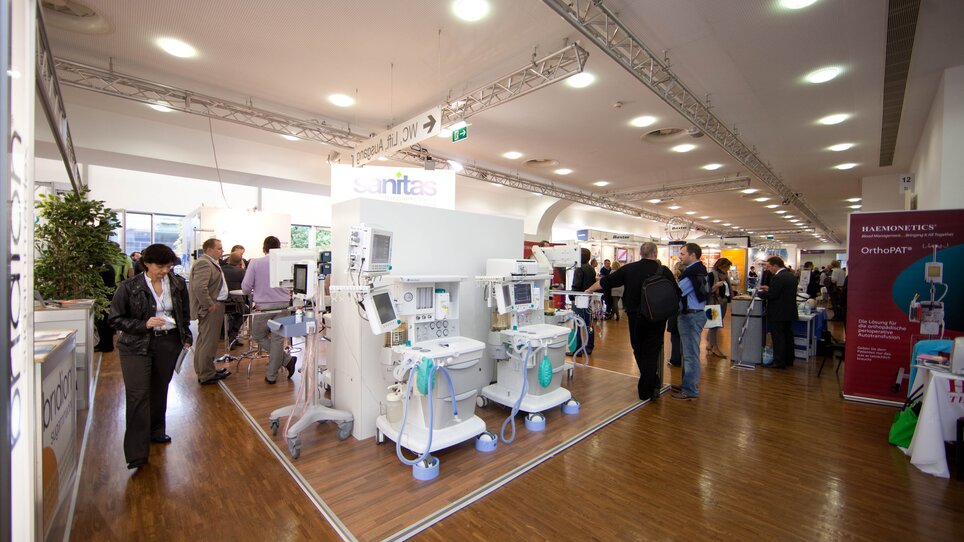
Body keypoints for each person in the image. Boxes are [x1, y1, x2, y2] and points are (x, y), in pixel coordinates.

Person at [109, 243, 192, 469]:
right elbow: (115, 319)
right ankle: (136, 452)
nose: (165, 271)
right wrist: (143, 324)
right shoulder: (129, 287)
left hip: (168, 343)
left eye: (168, 266)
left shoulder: (177, 284)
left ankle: (156, 430)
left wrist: (186, 336)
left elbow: (184, 314)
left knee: (159, 389)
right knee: (138, 395)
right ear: (146, 264)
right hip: (135, 346)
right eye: (160, 266)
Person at [586, 242, 679, 401]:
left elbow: (606, 281)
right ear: (655, 253)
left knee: (638, 349)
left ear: (641, 253)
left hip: (636, 317)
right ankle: (651, 384)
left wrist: (589, 289)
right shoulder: (664, 271)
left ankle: (648, 386)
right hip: (657, 318)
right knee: (652, 351)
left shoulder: (630, 268)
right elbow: (676, 292)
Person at [241, 236, 297, 384]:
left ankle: (282, 365)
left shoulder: (255, 263)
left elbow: (245, 288)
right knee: (278, 340)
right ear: (279, 248)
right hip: (284, 305)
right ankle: (277, 369)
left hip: (264, 307)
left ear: (264, 248)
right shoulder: (285, 263)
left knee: (258, 335)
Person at [189, 238, 232, 385]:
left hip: (214, 305)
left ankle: (205, 370)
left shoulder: (210, 262)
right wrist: (209, 305)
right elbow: (200, 287)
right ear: (209, 249)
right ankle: (206, 374)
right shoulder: (204, 263)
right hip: (212, 307)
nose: (222, 251)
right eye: (219, 248)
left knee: (205, 340)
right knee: (209, 341)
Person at [673, 243, 708, 400]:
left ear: (692, 255)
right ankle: (687, 384)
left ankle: (690, 390)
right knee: (688, 353)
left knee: (690, 354)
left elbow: (677, 292)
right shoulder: (699, 271)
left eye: (682, 254)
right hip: (695, 315)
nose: (679, 256)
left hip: (690, 317)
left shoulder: (691, 275)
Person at [756, 256, 798, 369]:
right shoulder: (791, 276)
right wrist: (770, 289)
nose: (768, 269)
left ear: (775, 266)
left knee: (778, 337)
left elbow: (773, 295)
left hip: (778, 312)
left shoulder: (778, 277)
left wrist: (759, 293)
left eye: (769, 267)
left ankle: (779, 361)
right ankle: (789, 359)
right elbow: (782, 292)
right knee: (788, 335)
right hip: (789, 311)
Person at [570, 248, 597, 355]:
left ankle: (577, 349)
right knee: (589, 324)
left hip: (579, 300)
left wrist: (571, 297)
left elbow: (576, 285)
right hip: (588, 299)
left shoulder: (579, 269)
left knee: (577, 324)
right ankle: (589, 346)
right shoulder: (591, 269)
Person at [706, 257, 733, 359]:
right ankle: (714, 347)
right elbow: (707, 290)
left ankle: (710, 344)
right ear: (721, 266)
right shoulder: (712, 275)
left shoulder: (725, 276)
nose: (728, 269)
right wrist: (716, 286)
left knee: (716, 325)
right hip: (713, 303)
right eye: (727, 267)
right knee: (714, 325)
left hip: (722, 302)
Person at [221, 252, 247, 348]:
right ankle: (233, 334)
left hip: (222, 300)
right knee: (245, 311)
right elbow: (246, 286)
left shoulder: (220, 270)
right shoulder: (240, 272)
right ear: (240, 261)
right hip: (235, 301)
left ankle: (231, 335)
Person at [666, 261, 686, 367]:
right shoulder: (686, 281)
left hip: (675, 312)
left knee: (675, 337)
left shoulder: (674, 283)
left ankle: (675, 359)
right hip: (683, 312)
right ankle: (681, 358)